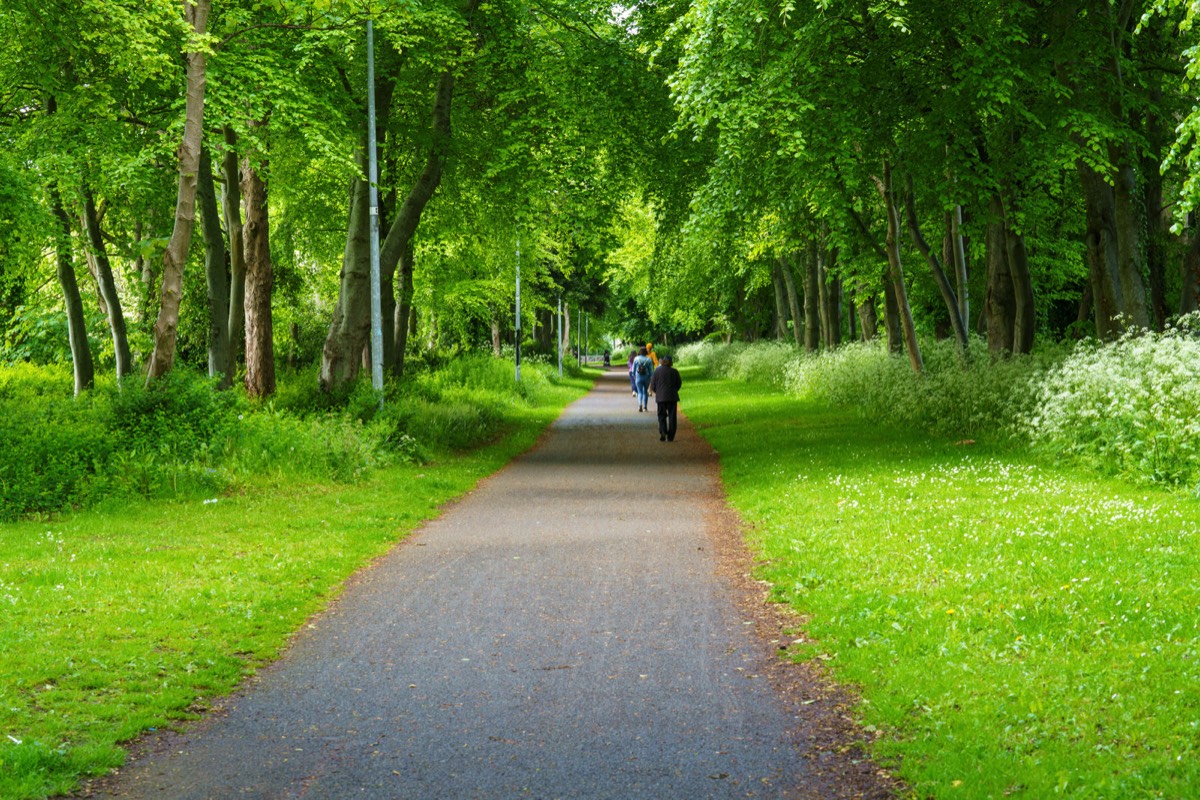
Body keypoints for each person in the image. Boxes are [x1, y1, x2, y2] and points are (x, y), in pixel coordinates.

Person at [649, 354, 682, 442]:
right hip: (672, 397)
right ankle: (671, 436)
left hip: (661, 398)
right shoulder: (674, 372)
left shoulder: (657, 371)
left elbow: (653, 385)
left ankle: (663, 431)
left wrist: (658, 392)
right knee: (672, 417)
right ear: (671, 362)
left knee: (661, 415)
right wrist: (674, 390)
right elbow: (679, 384)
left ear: (663, 362)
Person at [632, 346, 654, 412]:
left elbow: (633, 369)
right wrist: (651, 377)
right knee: (645, 392)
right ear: (646, 352)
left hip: (638, 377)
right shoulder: (649, 359)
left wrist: (634, 376)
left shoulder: (636, 359)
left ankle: (640, 405)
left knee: (639, 392)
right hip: (646, 377)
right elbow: (651, 370)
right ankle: (645, 407)